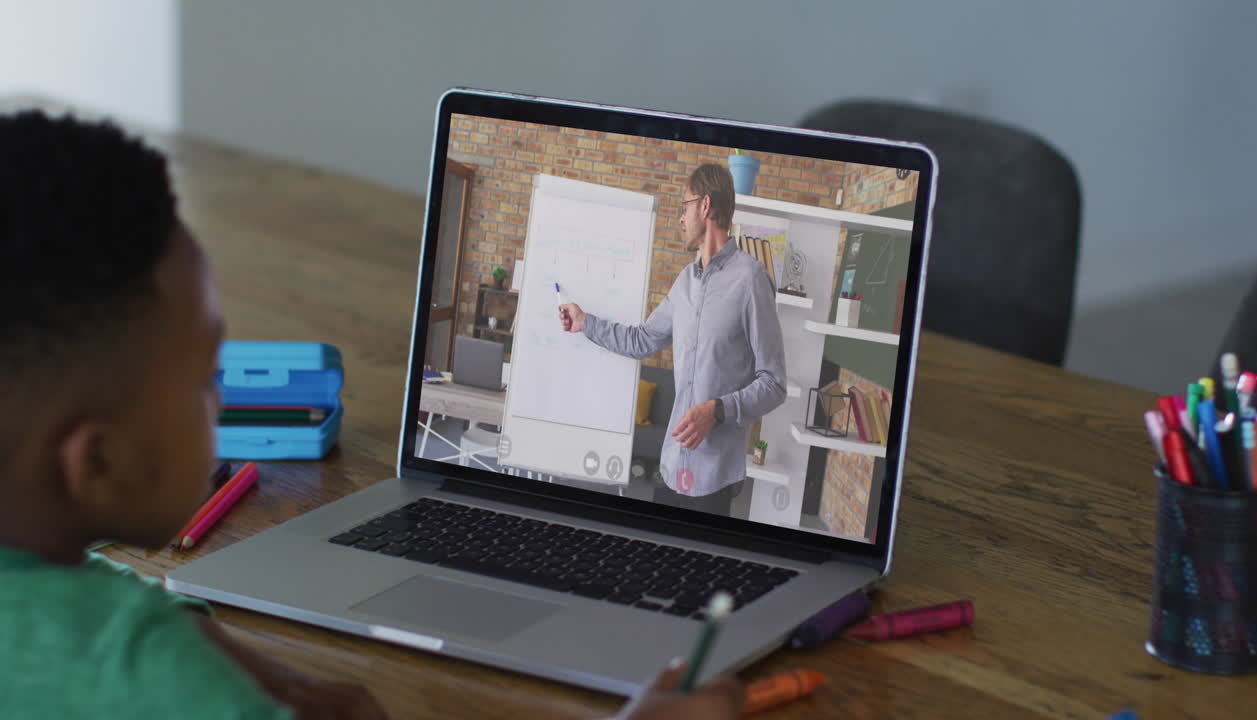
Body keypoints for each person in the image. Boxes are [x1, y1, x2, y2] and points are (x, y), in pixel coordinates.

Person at [0, 111, 742, 720]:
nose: (221, 400)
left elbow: (78, 594)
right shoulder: (150, 676)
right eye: (203, 379)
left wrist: (200, 637)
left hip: (708, 471)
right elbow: (646, 339)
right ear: (96, 461)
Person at [560, 164, 786, 515]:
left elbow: (774, 383)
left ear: (706, 206)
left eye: (684, 207)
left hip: (713, 477)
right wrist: (585, 323)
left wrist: (718, 410)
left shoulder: (752, 281)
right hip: (671, 467)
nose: (680, 219)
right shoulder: (685, 282)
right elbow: (642, 339)